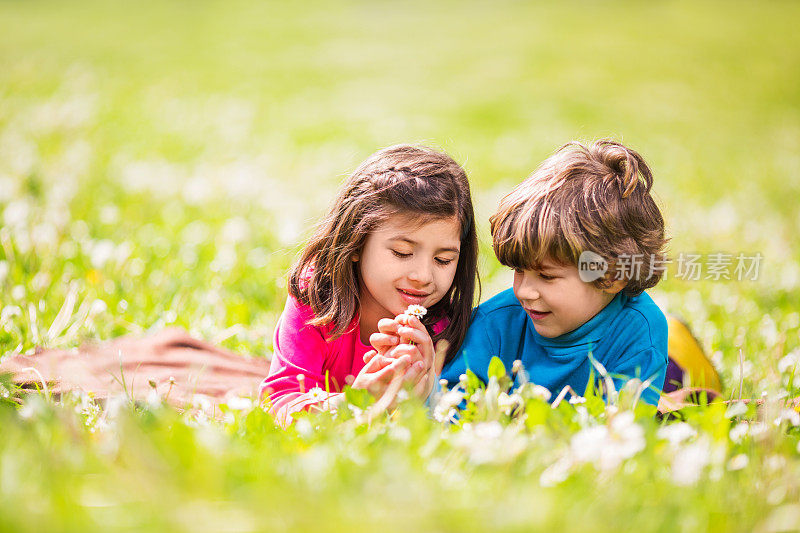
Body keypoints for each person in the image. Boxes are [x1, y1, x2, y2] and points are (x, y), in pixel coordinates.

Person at [440, 139, 669, 407]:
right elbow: (450, 405)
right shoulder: (497, 323)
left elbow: (624, 427)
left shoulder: (639, 332)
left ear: (613, 276)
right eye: (518, 270)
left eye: (547, 276)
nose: (524, 291)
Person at [260, 144, 479, 425]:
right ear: (355, 242)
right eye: (402, 252)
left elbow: (456, 418)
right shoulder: (317, 298)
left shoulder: (442, 327)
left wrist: (426, 392)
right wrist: (358, 401)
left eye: (443, 259)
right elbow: (278, 402)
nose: (424, 276)